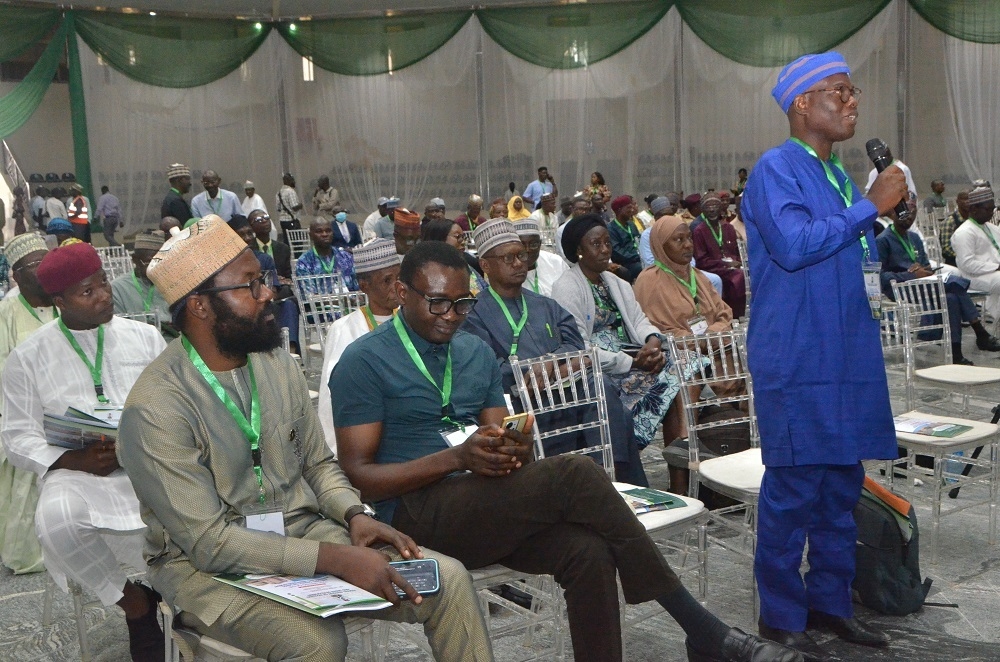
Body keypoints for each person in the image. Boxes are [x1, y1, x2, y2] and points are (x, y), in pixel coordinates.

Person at [330, 241, 800, 662]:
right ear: (401, 292)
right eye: (437, 303)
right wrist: (454, 459)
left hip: (482, 500)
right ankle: (701, 629)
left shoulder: (473, 352)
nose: (450, 315)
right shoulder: (366, 360)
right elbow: (360, 475)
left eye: (461, 304)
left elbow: (499, 436)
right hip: (414, 516)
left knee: (588, 551)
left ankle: (691, 638)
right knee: (575, 473)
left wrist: (513, 447)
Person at [118, 217, 491, 662]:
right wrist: (333, 559)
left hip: (304, 528)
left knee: (448, 580)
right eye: (250, 285)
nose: (268, 293)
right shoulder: (156, 407)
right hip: (204, 568)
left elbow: (317, 463)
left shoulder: (275, 361)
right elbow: (210, 543)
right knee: (317, 643)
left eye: (264, 280)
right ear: (199, 306)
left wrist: (353, 514)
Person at [741, 51, 905, 655]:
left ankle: (831, 605)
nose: (854, 100)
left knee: (842, 487)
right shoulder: (775, 168)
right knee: (794, 491)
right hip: (798, 353)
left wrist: (880, 215)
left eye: (854, 90)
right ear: (803, 103)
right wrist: (871, 206)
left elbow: (850, 247)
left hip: (848, 352)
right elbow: (793, 244)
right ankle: (781, 616)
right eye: (841, 91)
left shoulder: (836, 173)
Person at [1, 242, 167, 660]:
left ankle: (184, 601)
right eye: (87, 292)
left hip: (149, 464)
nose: (104, 296)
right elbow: (17, 436)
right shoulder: (27, 358)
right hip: (78, 472)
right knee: (56, 523)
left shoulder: (145, 338)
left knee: (199, 502)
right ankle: (135, 603)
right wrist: (71, 460)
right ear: (58, 302)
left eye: (104, 284)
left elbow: (175, 405)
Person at [464, 219, 647, 485]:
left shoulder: (546, 305)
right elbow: (490, 368)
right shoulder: (473, 313)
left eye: (521, 255)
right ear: (485, 266)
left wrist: (553, 364)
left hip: (567, 392)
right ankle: (602, 483)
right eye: (508, 258)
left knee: (601, 388)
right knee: (606, 404)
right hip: (522, 402)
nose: (518, 263)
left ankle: (612, 480)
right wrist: (538, 370)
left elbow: (575, 345)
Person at [552, 215, 701, 450]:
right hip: (605, 368)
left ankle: (683, 448)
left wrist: (652, 340)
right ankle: (683, 449)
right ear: (578, 250)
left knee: (687, 362)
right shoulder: (567, 287)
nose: (605, 250)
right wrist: (632, 362)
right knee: (676, 381)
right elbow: (579, 347)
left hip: (634, 355)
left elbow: (638, 320)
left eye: (607, 243)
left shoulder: (615, 281)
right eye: (596, 244)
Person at [634, 214, 743, 493]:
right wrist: (700, 340)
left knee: (748, 370)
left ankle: (739, 460)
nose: (686, 246)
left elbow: (723, 314)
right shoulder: (649, 281)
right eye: (678, 240)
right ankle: (681, 477)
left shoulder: (697, 277)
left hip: (714, 348)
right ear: (660, 245)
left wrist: (713, 332)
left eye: (688, 239)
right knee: (687, 378)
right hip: (676, 356)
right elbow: (653, 330)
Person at [877, 206, 1000, 364]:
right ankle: (980, 331)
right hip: (900, 288)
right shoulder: (883, 240)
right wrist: (911, 274)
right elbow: (882, 276)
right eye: (905, 214)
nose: (909, 218)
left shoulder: (914, 237)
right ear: (893, 214)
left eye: (913, 214)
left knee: (951, 298)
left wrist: (924, 270)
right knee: (955, 283)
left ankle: (956, 355)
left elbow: (926, 265)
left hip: (923, 285)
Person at [0, 233, 55, 575]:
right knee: (23, 488)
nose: (45, 269)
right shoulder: (5, 313)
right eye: (36, 264)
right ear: (16, 275)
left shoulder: (66, 303)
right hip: (20, 414)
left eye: (47, 260)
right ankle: (27, 553)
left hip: (66, 413)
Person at [318, 239, 401, 453]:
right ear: (364, 286)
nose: (397, 287)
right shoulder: (344, 329)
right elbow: (332, 395)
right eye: (387, 281)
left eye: (400, 278)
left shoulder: (412, 321)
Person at [110, 230, 176, 341]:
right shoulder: (118, 288)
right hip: (137, 346)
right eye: (149, 262)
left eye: (160, 262)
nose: (155, 268)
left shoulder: (173, 282)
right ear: (135, 260)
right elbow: (118, 327)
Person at [692, 192, 746, 318]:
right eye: (708, 207)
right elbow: (701, 261)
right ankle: (735, 315)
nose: (712, 210)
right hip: (713, 268)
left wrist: (736, 262)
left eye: (715, 206)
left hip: (733, 267)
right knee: (738, 278)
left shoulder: (728, 228)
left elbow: (736, 254)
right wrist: (724, 264)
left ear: (721, 208)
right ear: (703, 210)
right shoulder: (699, 231)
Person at [952, 182, 1000, 322]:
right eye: (988, 209)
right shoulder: (964, 232)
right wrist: (996, 266)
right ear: (973, 209)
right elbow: (967, 264)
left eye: (992, 209)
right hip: (974, 277)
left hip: (993, 273)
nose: (991, 213)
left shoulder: (991, 227)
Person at [421, 218, 486, 295]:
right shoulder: (425, 273)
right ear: (439, 239)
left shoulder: (466, 265)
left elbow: (485, 291)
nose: (463, 242)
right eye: (457, 237)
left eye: (463, 237)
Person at [296, 217, 358, 292]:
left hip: (353, 302)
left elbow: (358, 286)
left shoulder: (346, 256)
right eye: (319, 231)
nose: (324, 234)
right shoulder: (304, 262)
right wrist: (342, 299)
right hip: (323, 303)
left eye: (328, 231)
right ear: (311, 235)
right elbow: (310, 296)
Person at [514, 217, 567, 297]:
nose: (528, 250)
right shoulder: (507, 270)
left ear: (540, 244)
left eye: (533, 245)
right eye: (522, 245)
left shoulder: (556, 262)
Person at [609, 195, 643, 282]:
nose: (632, 210)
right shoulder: (611, 228)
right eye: (629, 208)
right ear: (619, 210)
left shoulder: (631, 224)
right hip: (625, 263)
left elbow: (639, 241)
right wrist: (637, 257)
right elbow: (616, 251)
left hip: (639, 259)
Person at [940, 189, 968, 267]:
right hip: (954, 263)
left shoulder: (974, 220)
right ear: (957, 201)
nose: (967, 202)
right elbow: (946, 248)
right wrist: (964, 257)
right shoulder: (950, 221)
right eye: (965, 199)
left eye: (970, 199)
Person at [275, 172, 303, 243]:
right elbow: (294, 207)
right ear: (287, 181)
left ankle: (288, 253)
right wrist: (300, 205)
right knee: (297, 241)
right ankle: (297, 254)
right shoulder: (290, 191)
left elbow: (278, 208)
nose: (293, 181)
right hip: (291, 220)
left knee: (287, 241)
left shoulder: (278, 193)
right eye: (292, 180)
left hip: (282, 221)